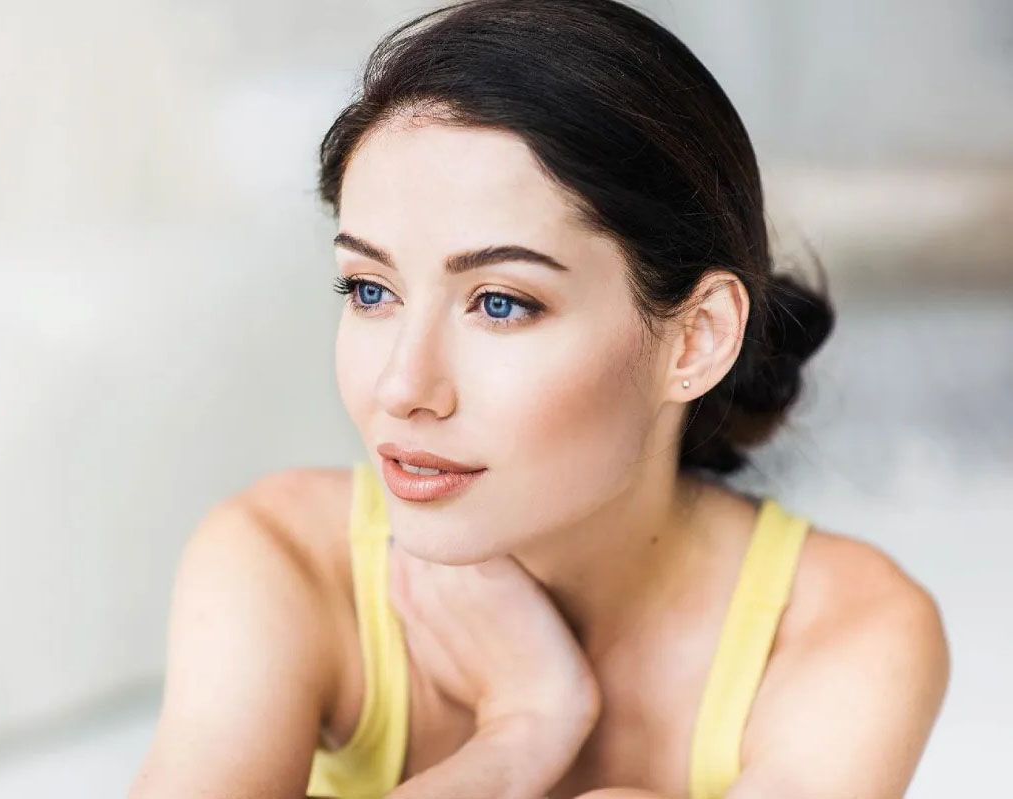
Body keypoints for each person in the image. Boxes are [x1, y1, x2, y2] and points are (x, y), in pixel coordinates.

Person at [128, 1, 950, 797]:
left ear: (695, 338)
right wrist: (520, 734)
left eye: (500, 302)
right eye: (370, 289)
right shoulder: (286, 561)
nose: (402, 387)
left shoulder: (843, 632)